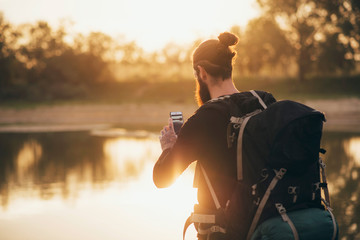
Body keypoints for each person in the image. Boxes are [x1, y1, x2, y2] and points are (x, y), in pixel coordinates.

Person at [152, 32, 337, 240]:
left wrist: (169, 147)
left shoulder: (204, 118)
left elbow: (162, 178)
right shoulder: (265, 101)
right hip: (269, 221)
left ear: (201, 73)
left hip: (227, 232)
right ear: (229, 67)